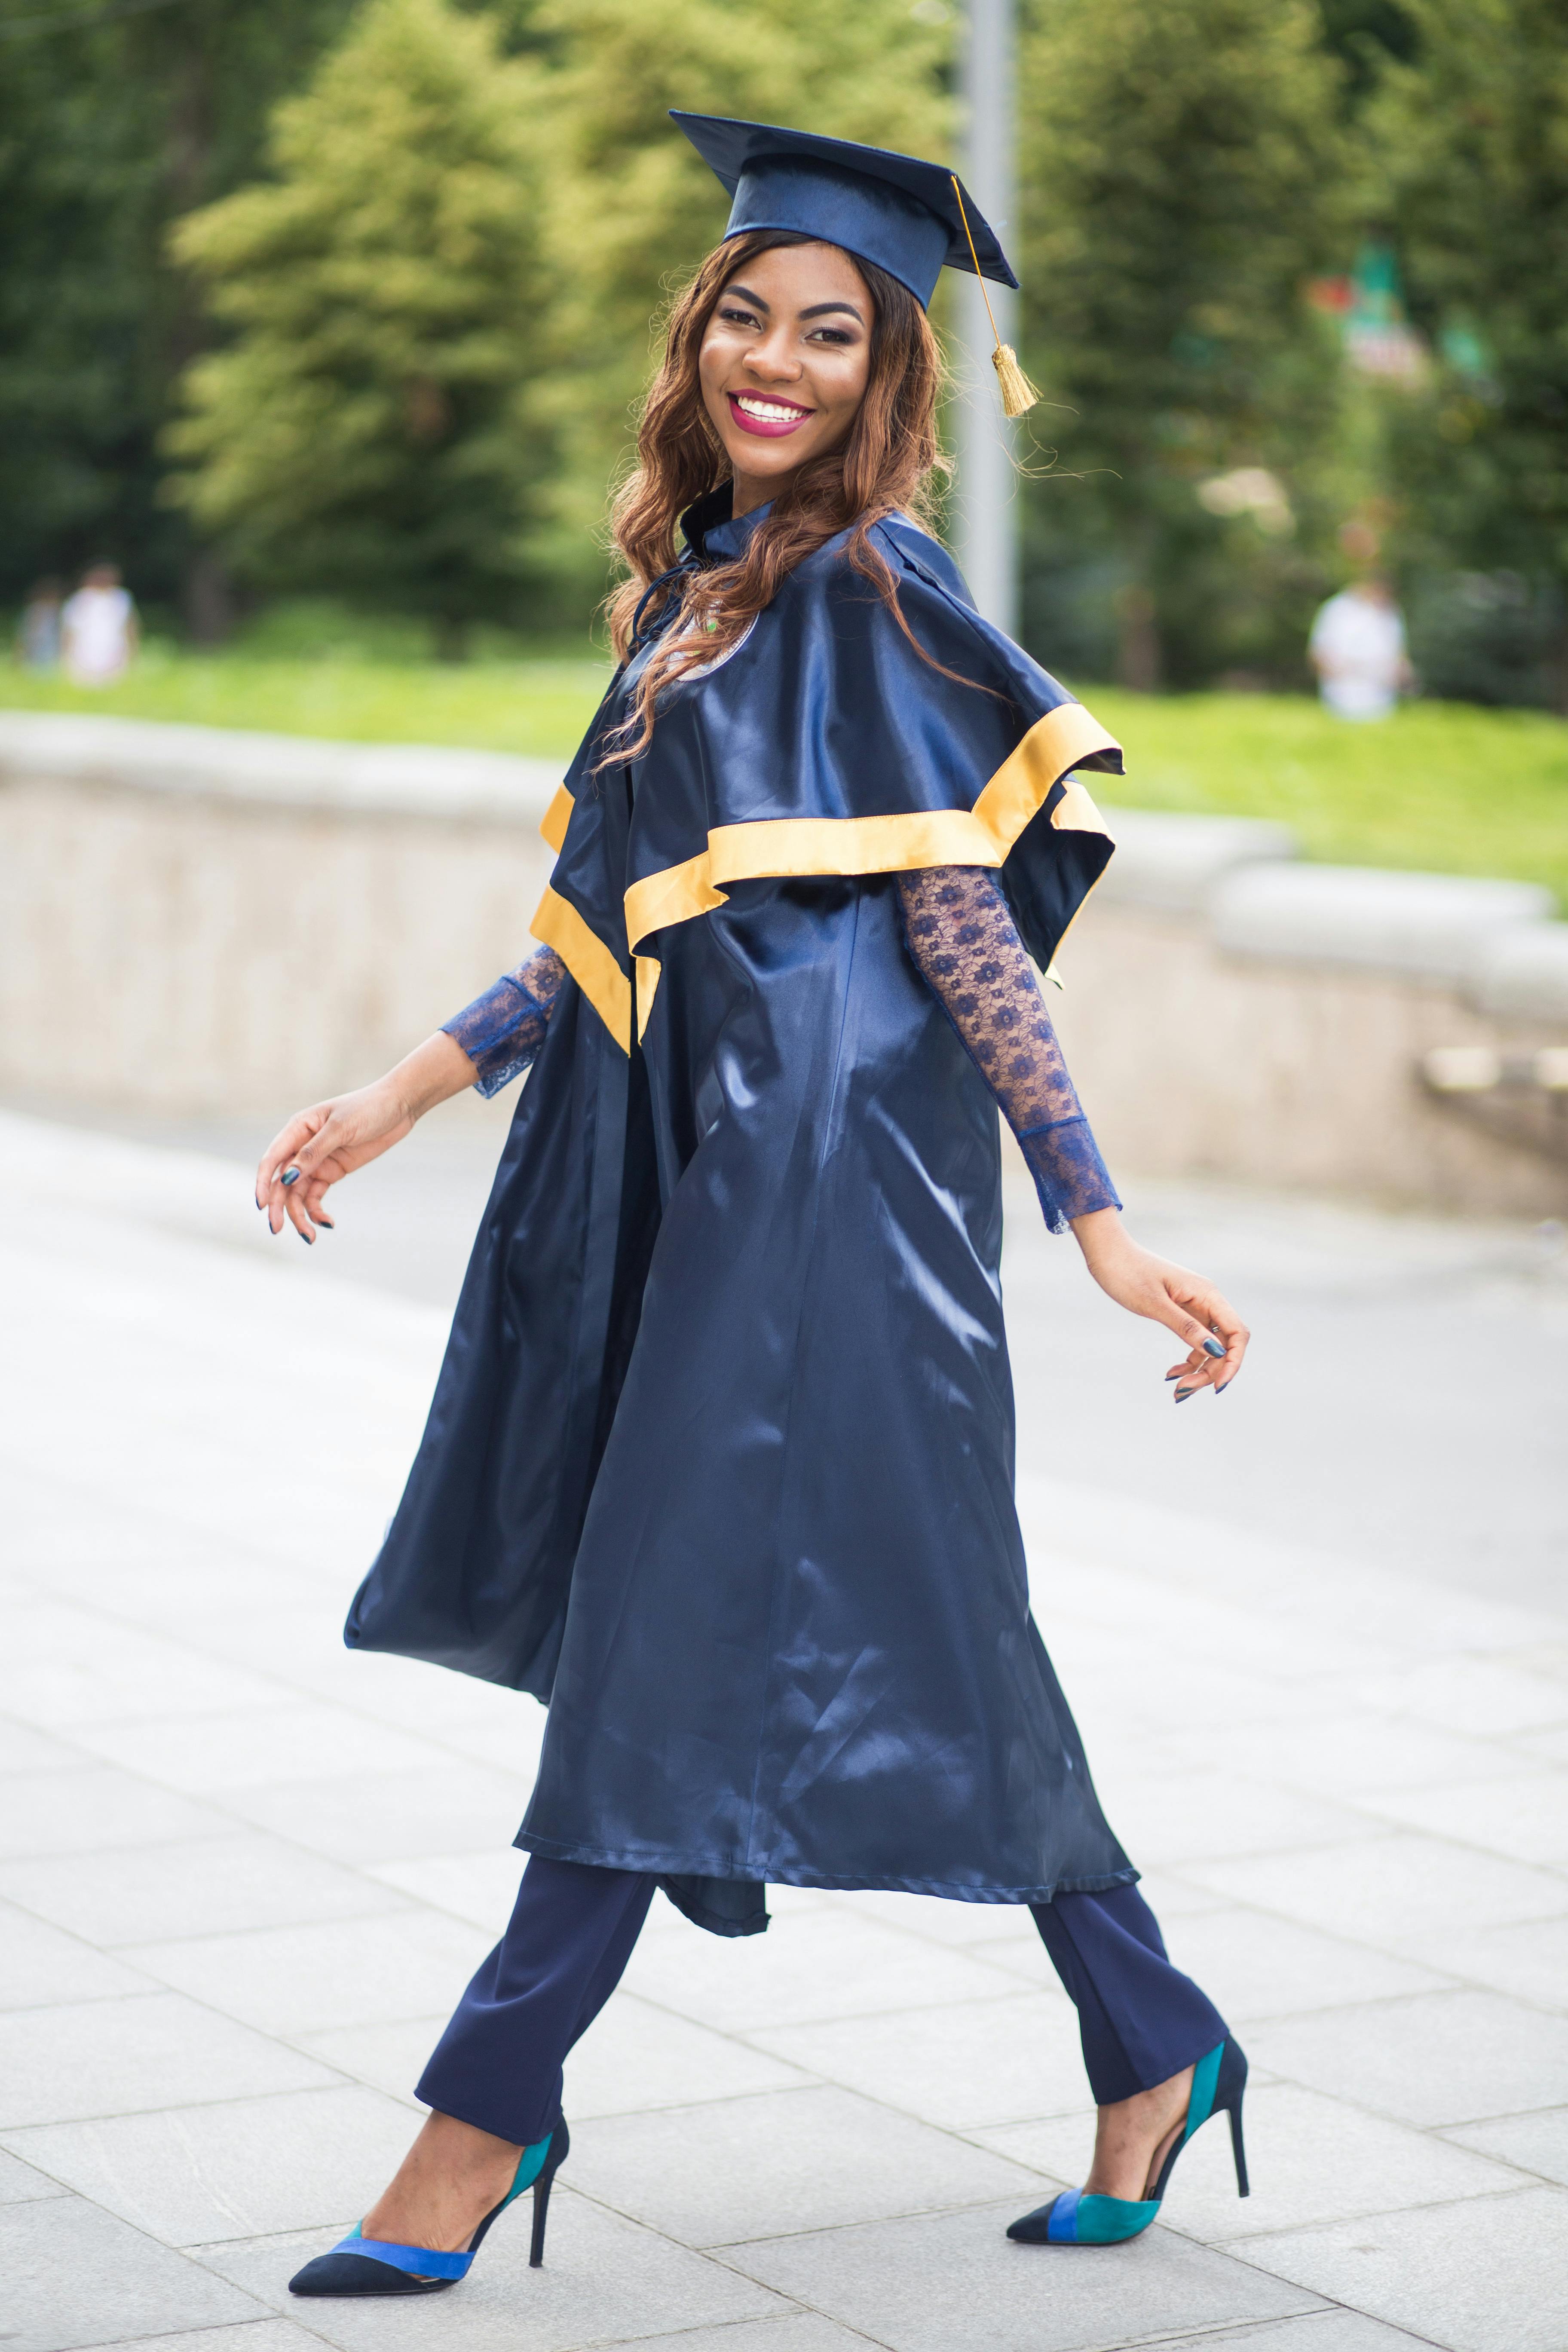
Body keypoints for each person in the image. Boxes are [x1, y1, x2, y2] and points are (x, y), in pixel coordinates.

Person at [256, 116, 1253, 2301]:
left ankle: (483, 2107)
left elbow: (960, 919)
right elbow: (615, 930)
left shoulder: (877, 587)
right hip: (723, 1166)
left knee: (663, 1626)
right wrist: (400, 1090)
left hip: (832, 1190)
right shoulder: (707, 589)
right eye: (744, 313)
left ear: (885, 372)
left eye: (826, 330)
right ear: (695, 327)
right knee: (932, 1629)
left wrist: (1090, 1214)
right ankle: (1154, 2029)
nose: (773, 359)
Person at [1308, 574, 1412, 720]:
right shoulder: (1337, 610)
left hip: (1382, 698)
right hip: (1342, 696)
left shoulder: (1391, 612)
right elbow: (1319, 653)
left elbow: (1399, 655)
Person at [60, 562, 137, 686]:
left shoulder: (121, 598)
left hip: (114, 651)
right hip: (84, 652)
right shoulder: (80, 599)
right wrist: (67, 657)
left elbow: (130, 626)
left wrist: (132, 652)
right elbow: (70, 630)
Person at [16, 579, 63, 670]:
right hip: (38, 645)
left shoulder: (57, 610)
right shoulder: (35, 610)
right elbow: (27, 631)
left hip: (52, 646)